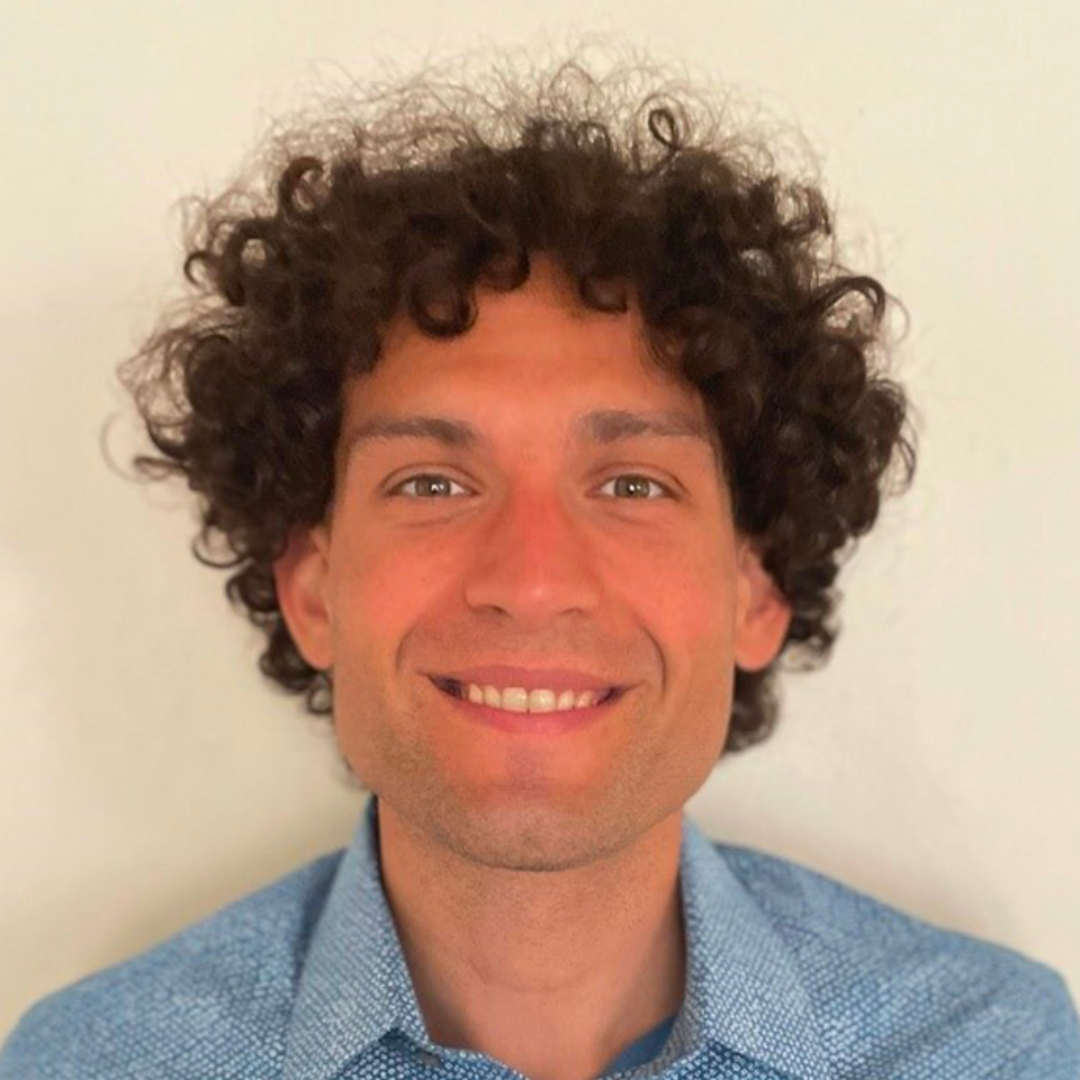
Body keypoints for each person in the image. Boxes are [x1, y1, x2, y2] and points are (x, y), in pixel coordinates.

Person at [2, 50, 1077, 1080]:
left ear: (757, 590)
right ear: (311, 589)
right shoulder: (91, 1066)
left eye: (632, 486)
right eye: (431, 484)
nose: (531, 580)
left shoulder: (997, 1053)